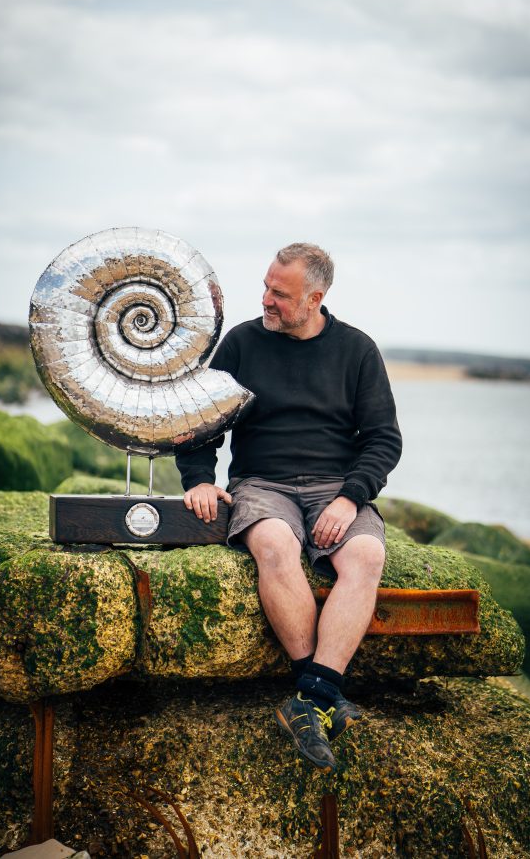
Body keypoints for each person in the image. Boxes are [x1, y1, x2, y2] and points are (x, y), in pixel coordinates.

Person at [175, 243, 402, 772]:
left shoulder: (357, 351)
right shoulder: (241, 344)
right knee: (275, 545)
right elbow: (201, 423)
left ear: (314, 298)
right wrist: (200, 481)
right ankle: (321, 693)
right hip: (262, 483)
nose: (267, 300)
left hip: (335, 487)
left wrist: (350, 497)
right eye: (266, 287)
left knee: (366, 556)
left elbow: (384, 440)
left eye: (280, 294)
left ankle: (308, 700)